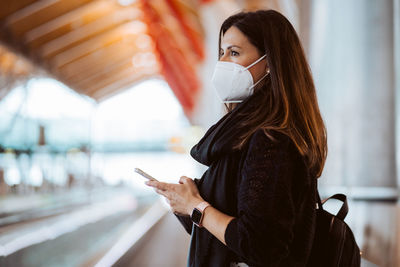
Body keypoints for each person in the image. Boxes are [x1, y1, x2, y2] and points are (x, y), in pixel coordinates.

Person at [145, 9, 327, 267]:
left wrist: (197, 206)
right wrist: (185, 202)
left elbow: (261, 246)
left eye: (234, 53)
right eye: (222, 53)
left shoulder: (272, 141)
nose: (223, 64)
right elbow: (226, 231)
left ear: (270, 62)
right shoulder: (243, 137)